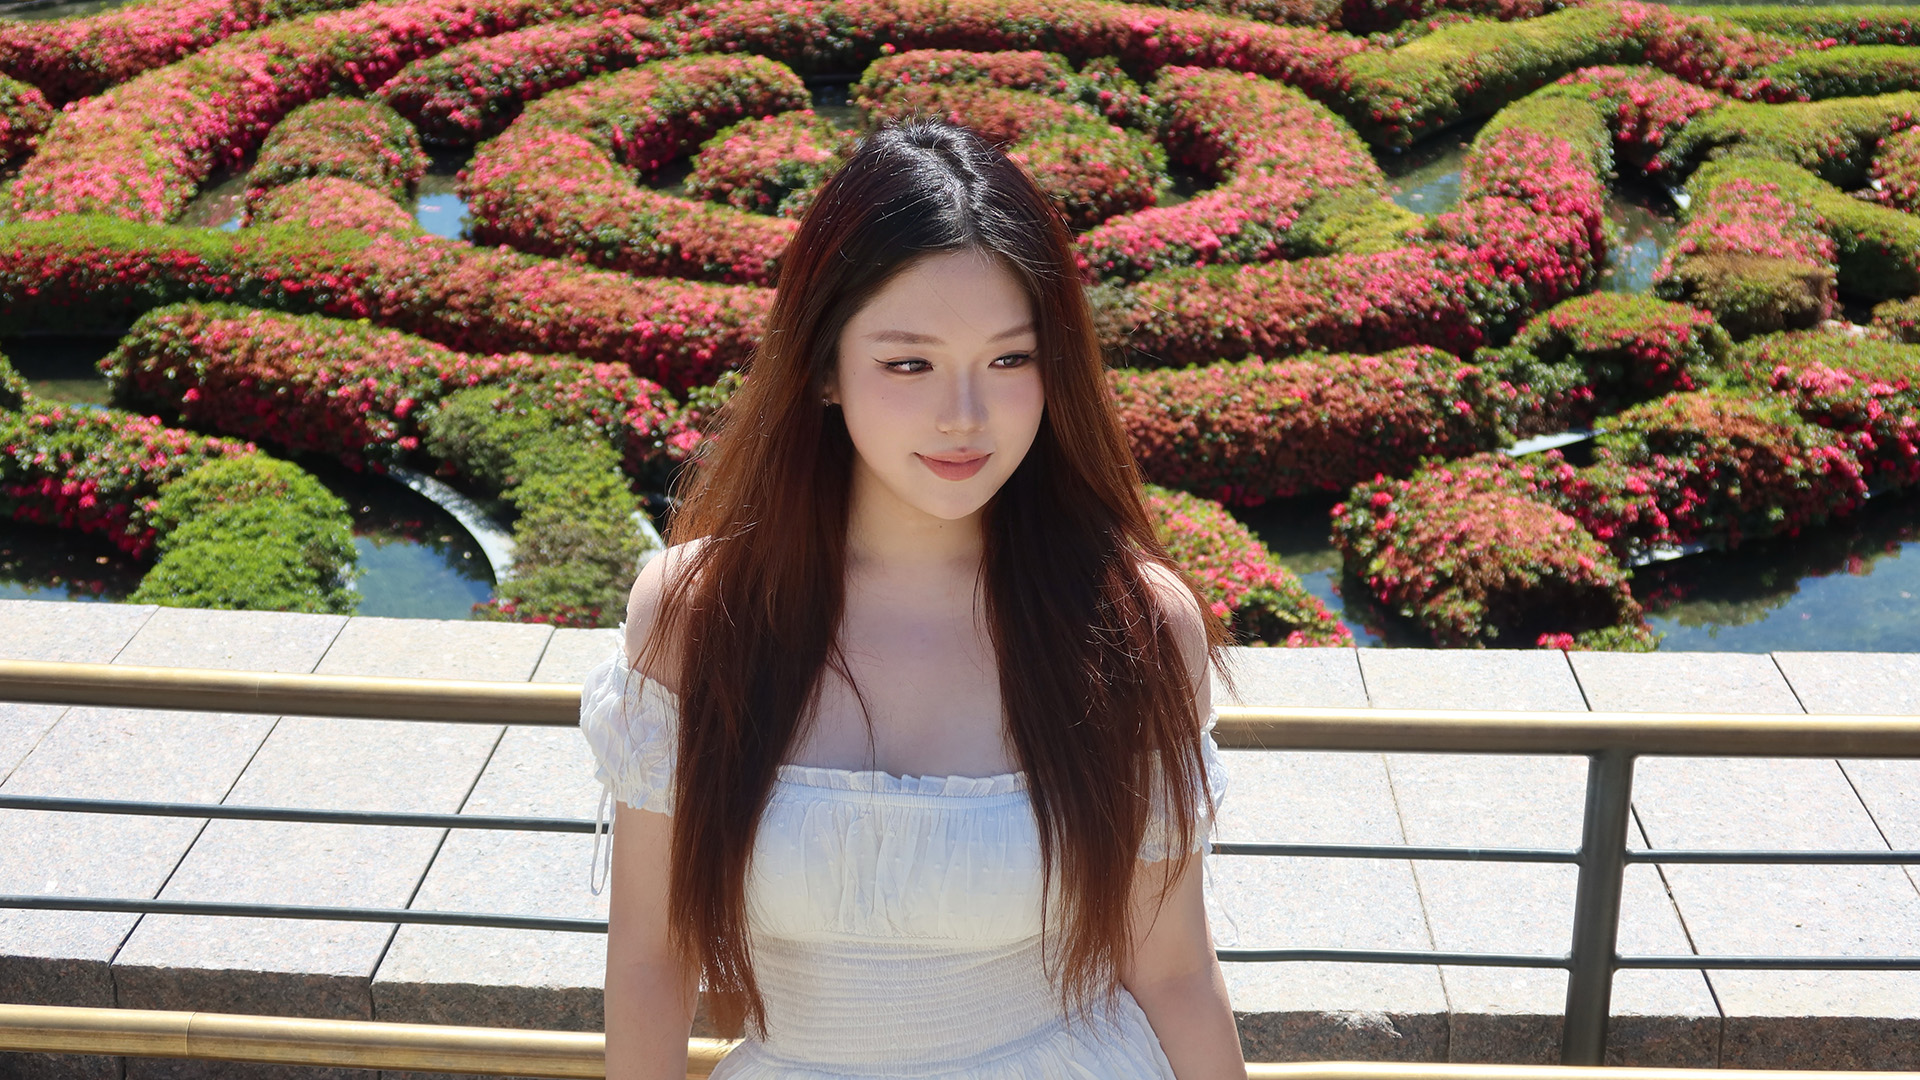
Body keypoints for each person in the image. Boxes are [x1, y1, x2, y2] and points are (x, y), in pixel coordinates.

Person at [579, 116, 1245, 1080]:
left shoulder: (1131, 626)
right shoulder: (699, 614)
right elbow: (651, 958)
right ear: (821, 369)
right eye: (908, 363)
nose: (964, 416)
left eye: (1011, 360)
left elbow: (1173, 968)